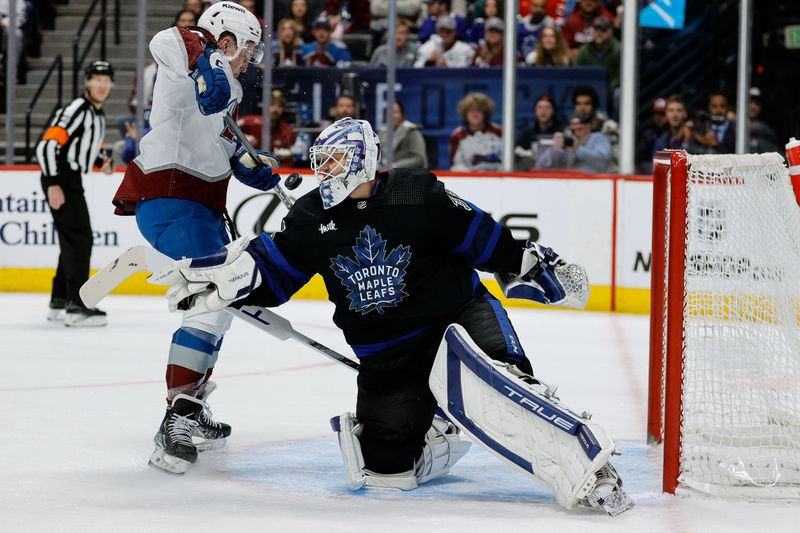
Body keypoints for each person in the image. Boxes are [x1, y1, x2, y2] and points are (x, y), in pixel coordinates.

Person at [151, 117, 634, 517]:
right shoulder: (310, 219)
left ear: (362, 159)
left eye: (335, 160)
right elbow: (274, 273)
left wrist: (529, 264)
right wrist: (223, 284)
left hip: (458, 321)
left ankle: (589, 465)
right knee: (386, 470)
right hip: (388, 355)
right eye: (320, 161)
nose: (324, 170)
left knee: (502, 387)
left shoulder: (417, 195)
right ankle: (441, 427)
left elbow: (484, 239)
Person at [110, 2, 282, 475]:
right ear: (225, 40)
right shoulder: (186, 50)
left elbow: (222, 146)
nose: (249, 60)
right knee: (210, 303)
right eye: (246, 49)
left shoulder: (222, 91)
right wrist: (208, 58)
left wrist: (252, 166)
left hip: (199, 209)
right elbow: (167, 41)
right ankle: (177, 417)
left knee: (220, 304)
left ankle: (191, 402)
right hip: (171, 200)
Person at [35, 60, 114, 326]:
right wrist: (54, 182)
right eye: (97, 79)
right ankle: (77, 305)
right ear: (87, 82)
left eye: (106, 80)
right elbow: (47, 146)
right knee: (81, 239)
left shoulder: (96, 113)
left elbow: (79, 149)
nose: (102, 85)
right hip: (62, 178)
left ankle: (60, 301)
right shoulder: (78, 109)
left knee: (73, 239)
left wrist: (98, 163)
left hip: (69, 177)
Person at [536, 112, 612, 173]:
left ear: (588, 126)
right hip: (571, 184)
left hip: (597, 183)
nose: (576, 130)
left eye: (579, 128)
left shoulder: (598, 137)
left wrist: (578, 149)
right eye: (573, 128)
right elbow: (540, 167)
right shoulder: (568, 139)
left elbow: (603, 160)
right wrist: (553, 150)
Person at [449, 92, 502, 171]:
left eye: (479, 110)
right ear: (465, 114)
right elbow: (455, 164)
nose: (475, 114)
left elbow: (507, 161)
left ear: (485, 113)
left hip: (497, 178)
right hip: (468, 179)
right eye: (471, 110)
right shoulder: (458, 135)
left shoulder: (499, 132)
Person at [574, 16, 620, 94]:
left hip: (610, 89)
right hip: (588, 90)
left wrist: (607, 90)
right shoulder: (584, 50)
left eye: (603, 30)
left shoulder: (618, 50)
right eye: (596, 30)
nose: (599, 33)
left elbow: (617, 77)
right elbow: (576, 73)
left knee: (618, 94)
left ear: (611, 32)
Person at [515, 94, 561, 169]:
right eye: (540, 108)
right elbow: (517, 151)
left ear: (553, 111)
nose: (543, 111)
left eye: (547, 108)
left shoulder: (560, 132)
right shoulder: (528, 134)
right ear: (535, 111)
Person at [379, 100, 428, 168]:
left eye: (395, 112)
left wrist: (396, 165)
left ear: (402, 115)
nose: (391, 116)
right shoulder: (382, 133)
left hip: (407, 175)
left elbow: (419, 159)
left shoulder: (412, 131)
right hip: (385, 173)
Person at [748, 87, 778, 153]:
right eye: (750, 102)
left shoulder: (766, 130)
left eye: (757, 103)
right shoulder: (732, 124)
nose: (753, 107)